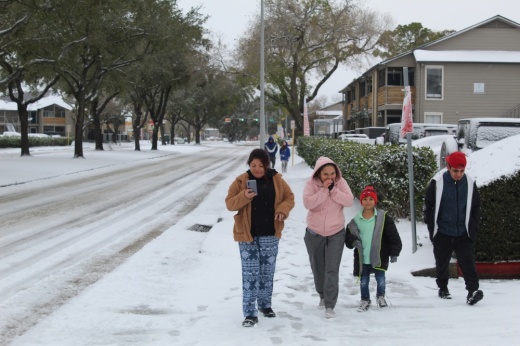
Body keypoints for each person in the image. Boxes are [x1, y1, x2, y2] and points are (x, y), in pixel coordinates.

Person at [225, 148, 295, 327]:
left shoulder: (277, 180)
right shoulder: (241, 181)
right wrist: (244, 197)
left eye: (261, 165)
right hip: (247, 235)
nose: (257, 169)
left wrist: (282, 211)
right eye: (253, 165)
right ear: (249, 165)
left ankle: (265, 305)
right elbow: (230, 203)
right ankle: (249, 313)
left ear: (267, 165)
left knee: (267, 272)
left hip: (270, 234)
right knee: (250, 275)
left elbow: (289, 198)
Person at [424, 151, 483, 305]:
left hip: (463, 232)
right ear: (448, 167)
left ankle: (472, 291)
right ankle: (443, 288)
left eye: (461, 171)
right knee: (441, 262)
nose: (458, 174)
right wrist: (432, 227)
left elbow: (476, 207)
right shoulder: (437, 183)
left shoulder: (470, 183)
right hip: (442, 231)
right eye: (455, 170)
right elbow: (428, 206)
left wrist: (473, 228)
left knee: (468, 262)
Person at [303, 156, 354, 319]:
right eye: (326, 174)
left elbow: (349, 201)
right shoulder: (311, 185)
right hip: (314, 233)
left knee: (332, 269)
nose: (329, 177)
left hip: (336, 233)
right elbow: (308, 203)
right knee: (318, 267)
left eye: (332, 173)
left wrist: (333, 191)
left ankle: (330, 304)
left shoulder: (341, 183)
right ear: (319, 173)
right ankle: (322, 296)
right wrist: (324, 191)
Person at [345, 186, 402, 312]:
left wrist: (394, 252)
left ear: (375, 201)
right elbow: (348, 235)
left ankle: (380, 296)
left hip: (379, 255)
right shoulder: (356, 220)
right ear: (361, 201)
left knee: (380, 279)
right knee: (364, 280)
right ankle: (365, 299)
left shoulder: (383, 217)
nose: (368, 201)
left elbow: (393, 236)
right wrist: (353, 241)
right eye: (365, 199)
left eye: (371, 199)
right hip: (363, 257)